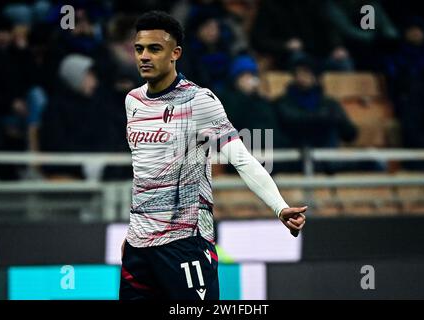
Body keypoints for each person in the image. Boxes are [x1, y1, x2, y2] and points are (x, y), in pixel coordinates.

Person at [119, 11, 307, 301]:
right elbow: (145, 174)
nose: (144, 56)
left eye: (155, 48)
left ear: (175, 53)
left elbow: (241, 158)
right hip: (138, 249)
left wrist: (279, 207)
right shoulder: (133, 101)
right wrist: (135, 232)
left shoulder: (199, 101)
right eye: (139, 48)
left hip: (185, 243)